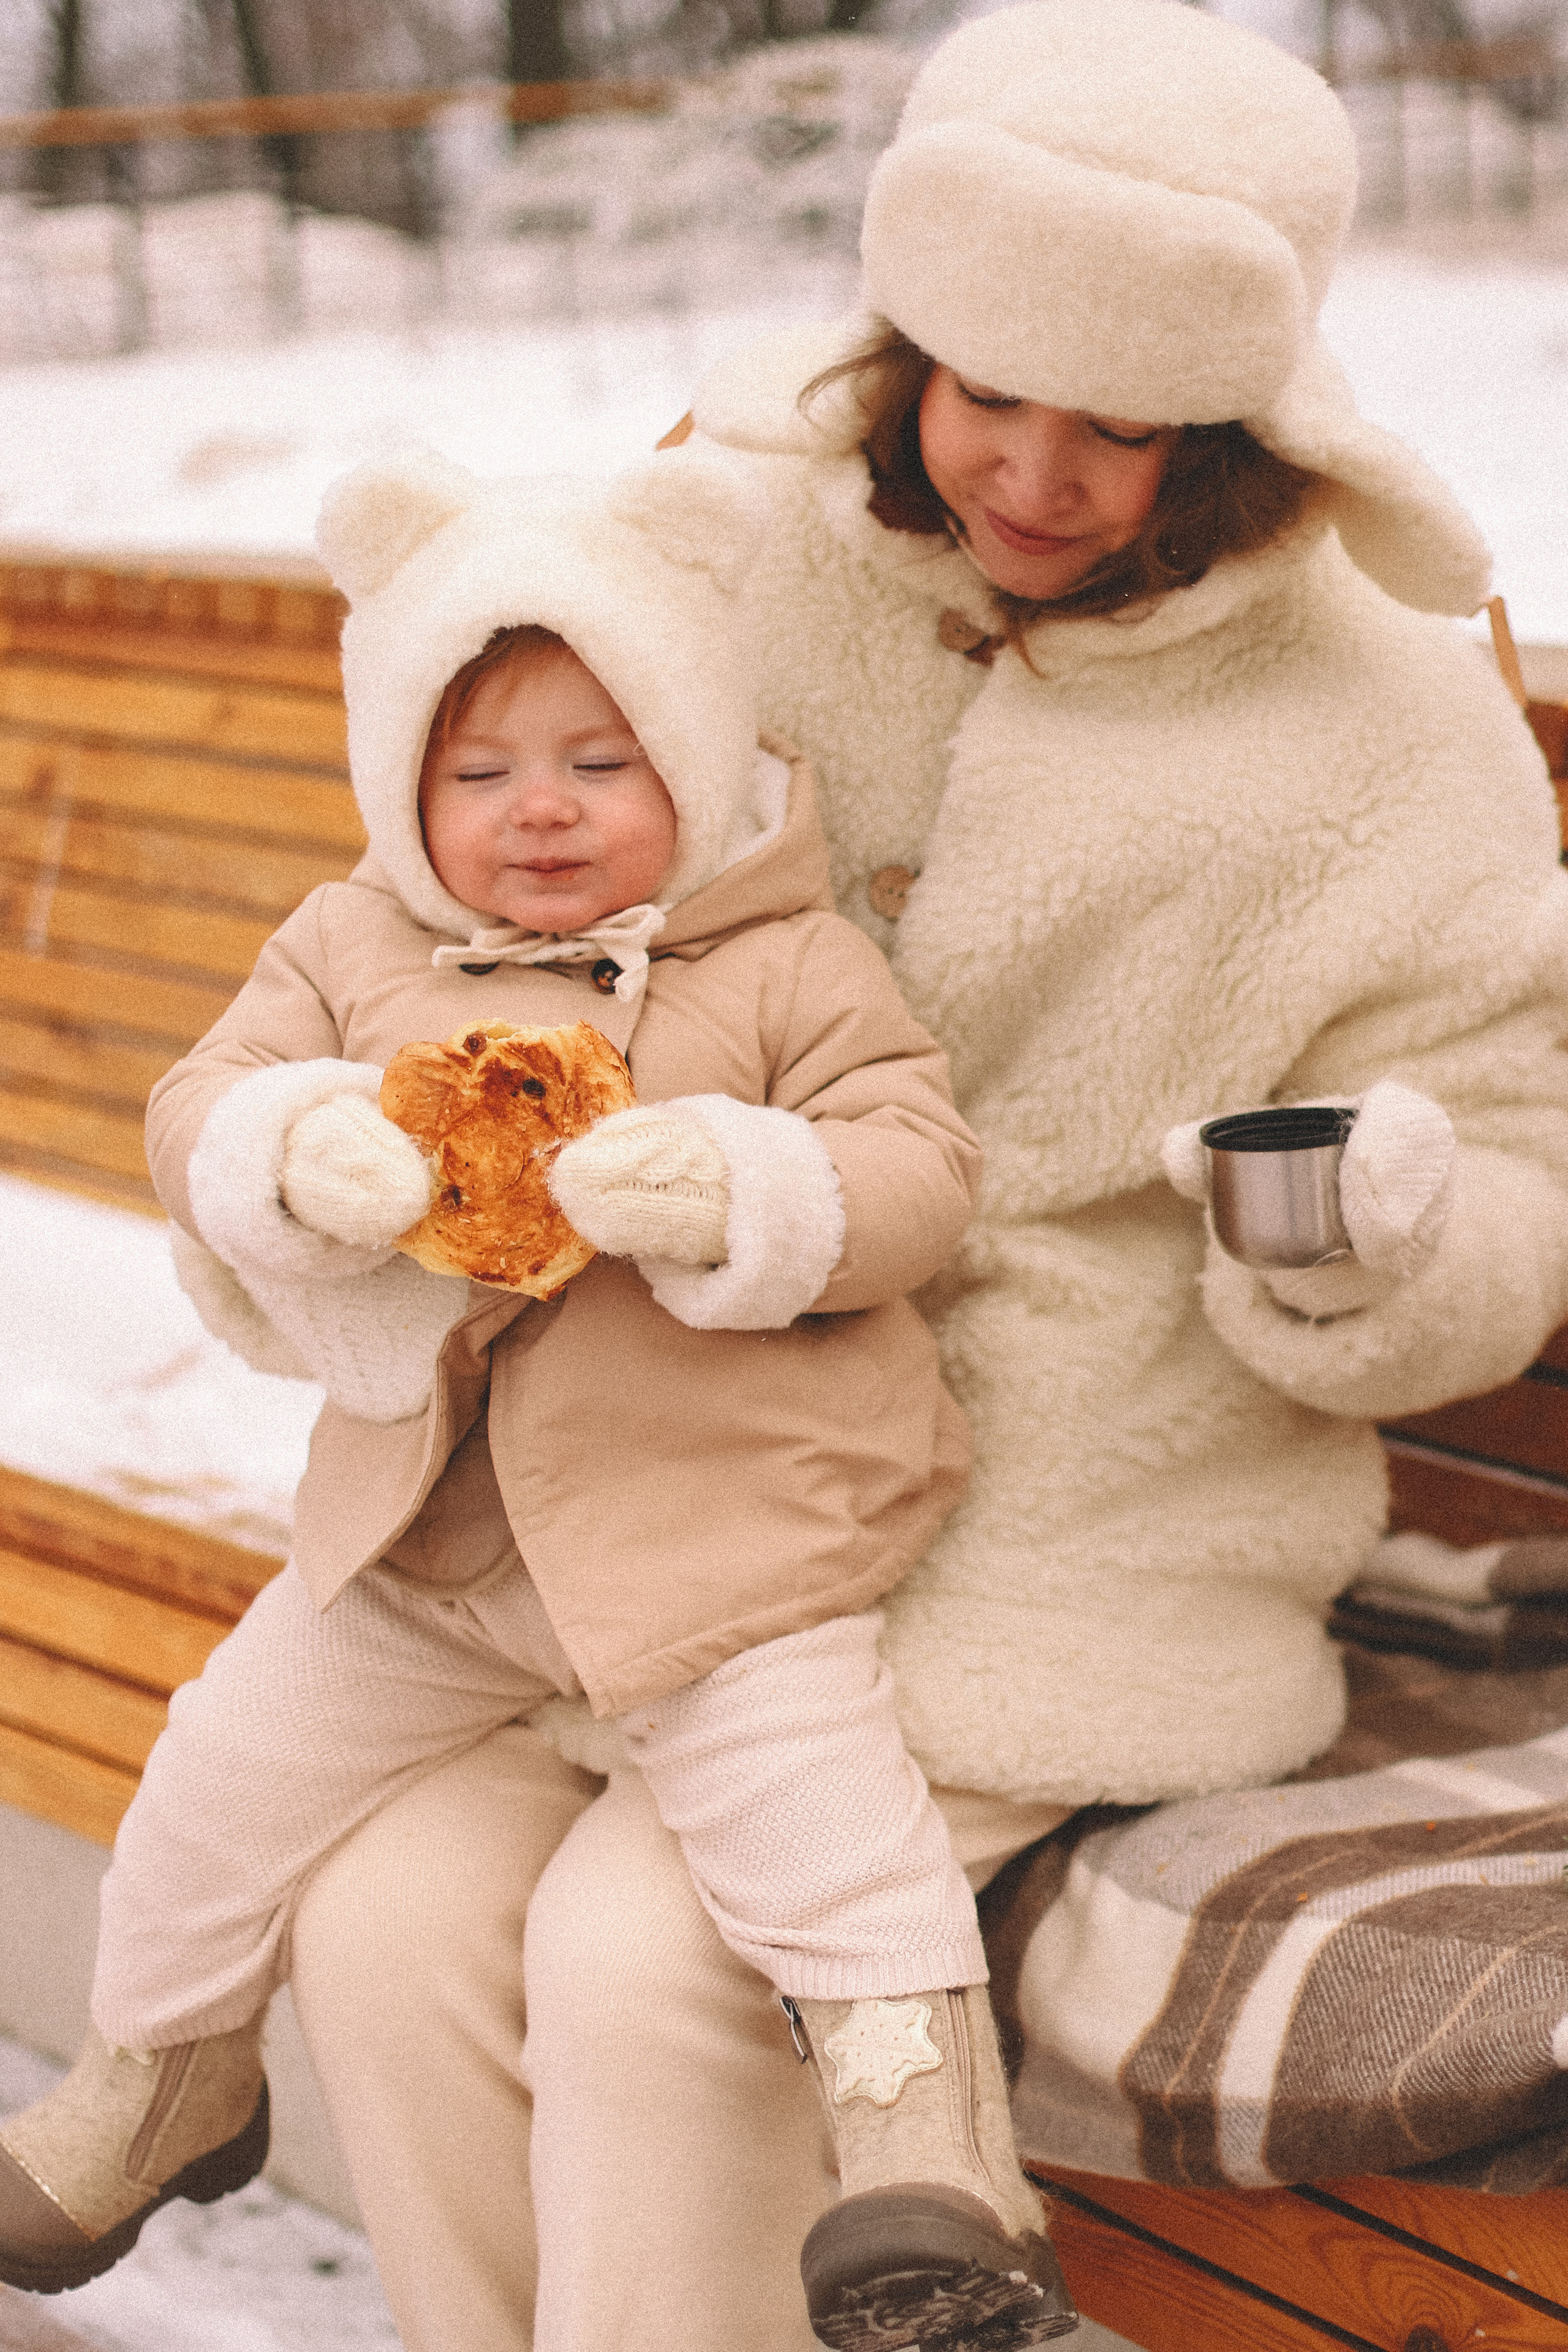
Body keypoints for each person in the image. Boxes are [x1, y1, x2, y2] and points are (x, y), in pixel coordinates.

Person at [48, 2, 1568, 2348]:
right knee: (376, 1909)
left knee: (651, 1959)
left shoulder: (1388, 721)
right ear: (903, 345)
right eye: (986, 392)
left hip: (1065, 1523)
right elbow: (423, 915)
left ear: (1246, 418)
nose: (1038, 474)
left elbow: (1510, 1170)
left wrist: (1384, 1233)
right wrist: (330, 1174)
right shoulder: (727, 546)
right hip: (621, 1475)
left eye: (1123, 422)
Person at [0, 448, 1080, 2347]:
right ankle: (157, 2076)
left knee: (825, 1829)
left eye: (602, 763)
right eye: (480, 772)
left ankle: (932, 2160)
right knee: (220, 1778)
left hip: (717, 1547)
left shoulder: (785, 964)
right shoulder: (350, 949)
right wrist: (291, 1147)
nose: (542, 815)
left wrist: (750, 1189)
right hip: (430, 1544)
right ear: (405, 790)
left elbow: (916, 1171)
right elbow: (193, 1113)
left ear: (691, 757)